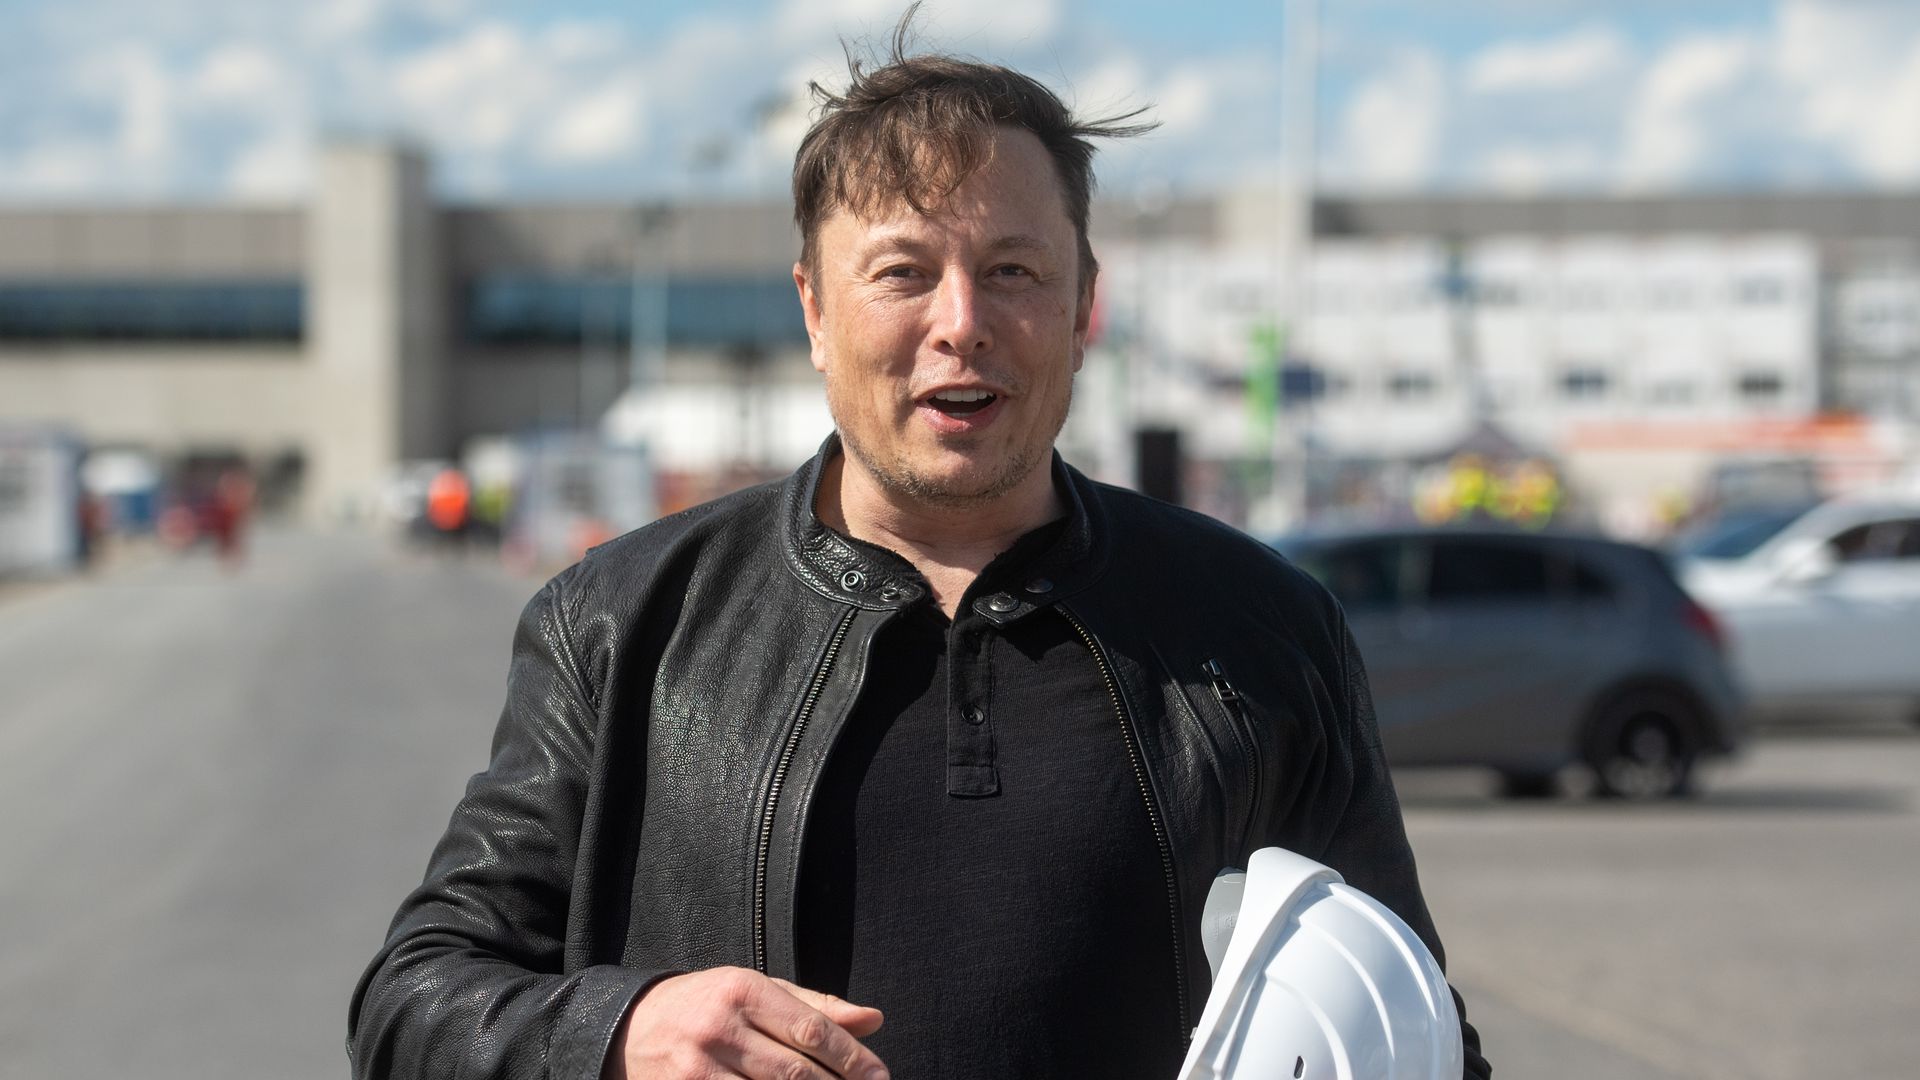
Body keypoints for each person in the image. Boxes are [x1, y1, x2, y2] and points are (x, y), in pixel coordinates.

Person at [348, 23, 1489, 1080]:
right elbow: (414, 998)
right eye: (902, 272)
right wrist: (617, 1033)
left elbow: (1411, 1020)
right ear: (814, 310)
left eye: (1014, 270)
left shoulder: (1260, 629)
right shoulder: (620, 620)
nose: (962, 321)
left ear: (1083, 302)